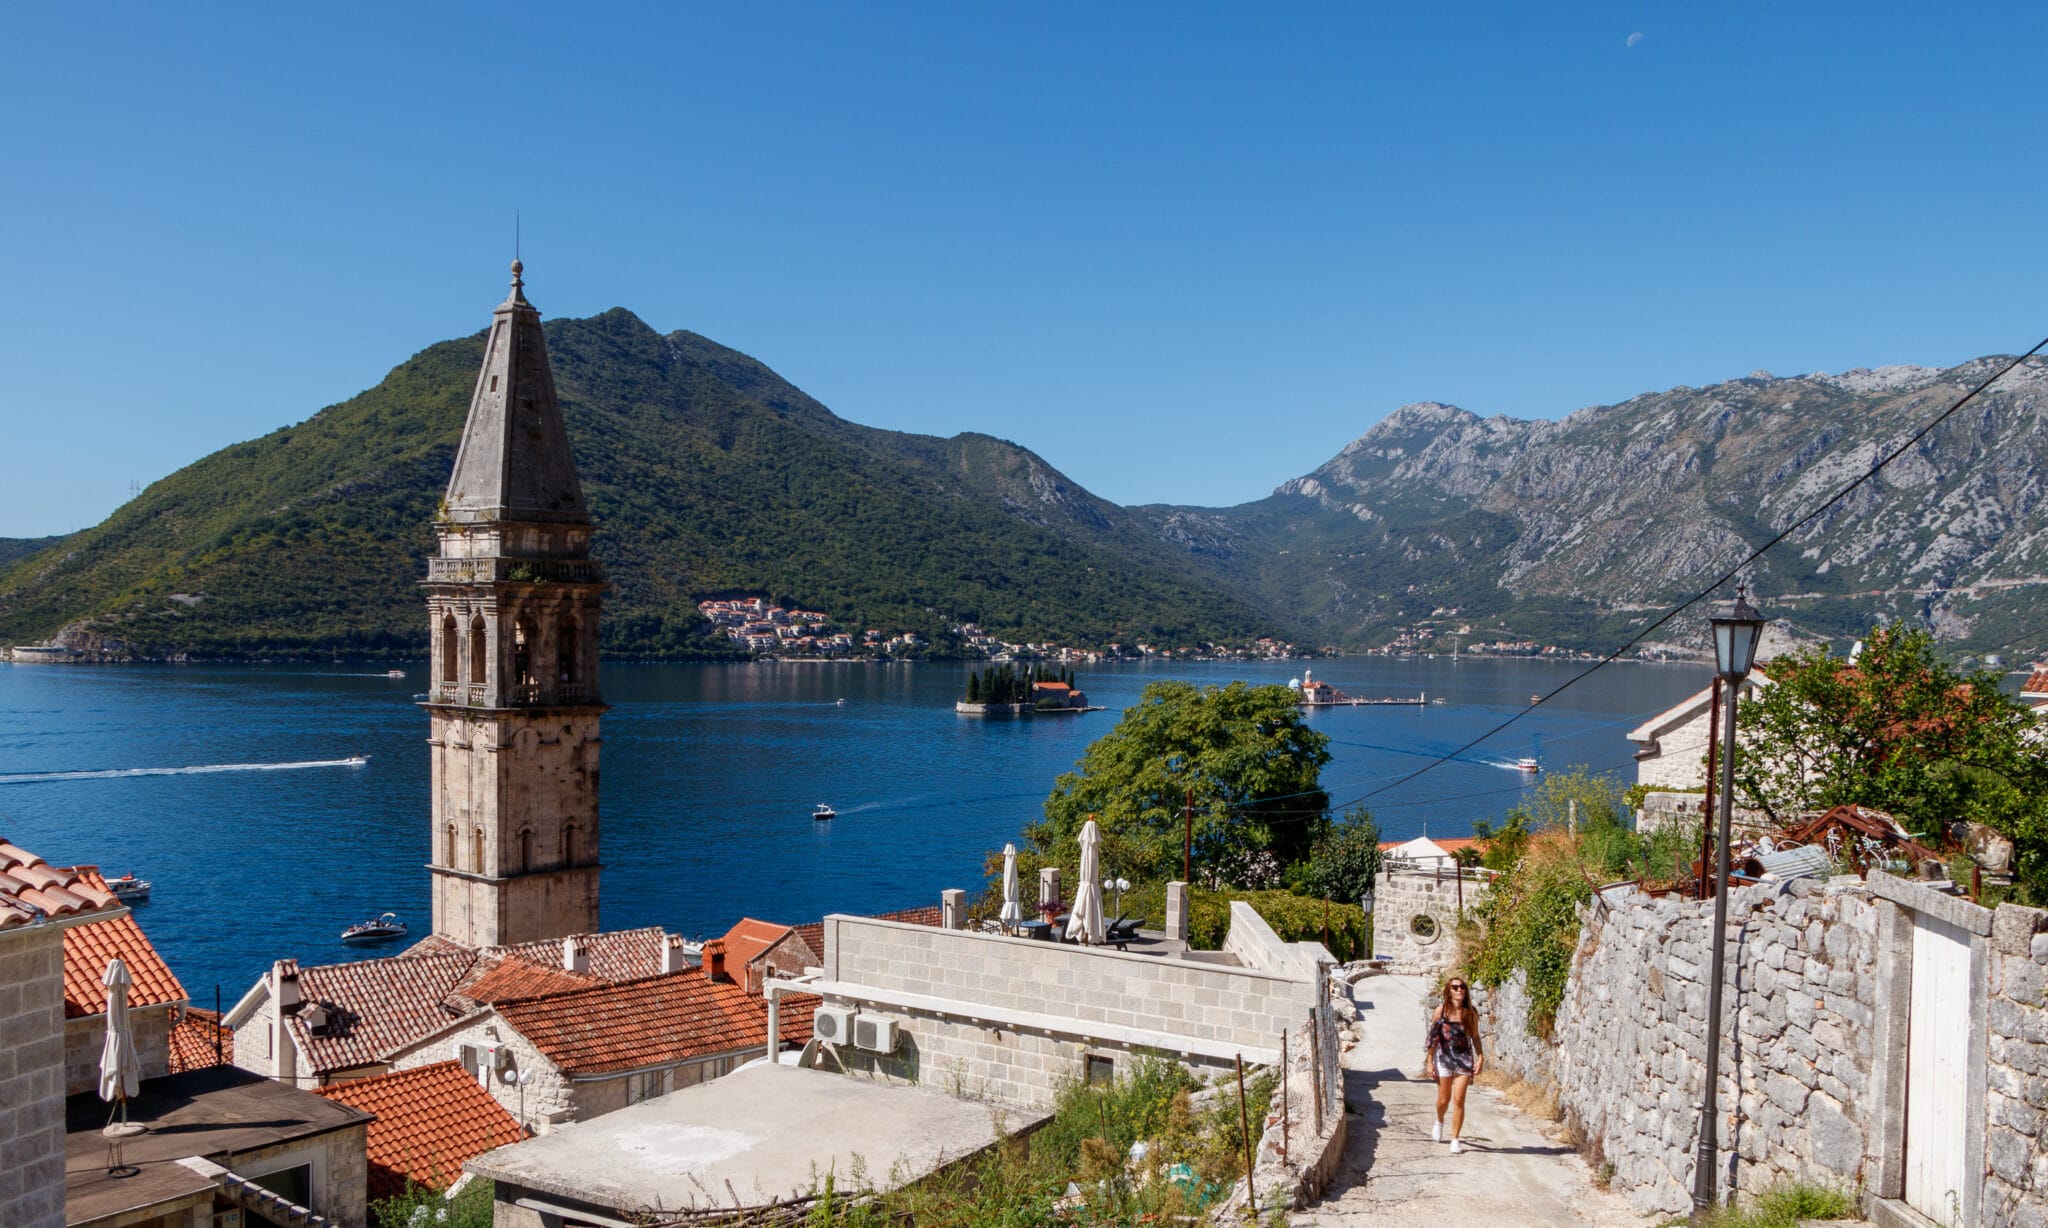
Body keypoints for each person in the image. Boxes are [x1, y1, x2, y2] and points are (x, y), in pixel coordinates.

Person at [1423, 976, 1484, 1153]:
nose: (1460, 990)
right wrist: (1429, 1062)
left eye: (1462, 987)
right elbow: (1433, 1038)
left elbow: (1475, 1037)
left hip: (1464, 1059)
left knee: (1459, 1099)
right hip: (1443, 1058)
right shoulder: (1441, 1011)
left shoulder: (1471, 1012)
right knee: (1444, 1099)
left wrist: (1480, 1057)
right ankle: (1439, 1120)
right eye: (1455, 987)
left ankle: (1455, 1139)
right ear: (1448, 991)